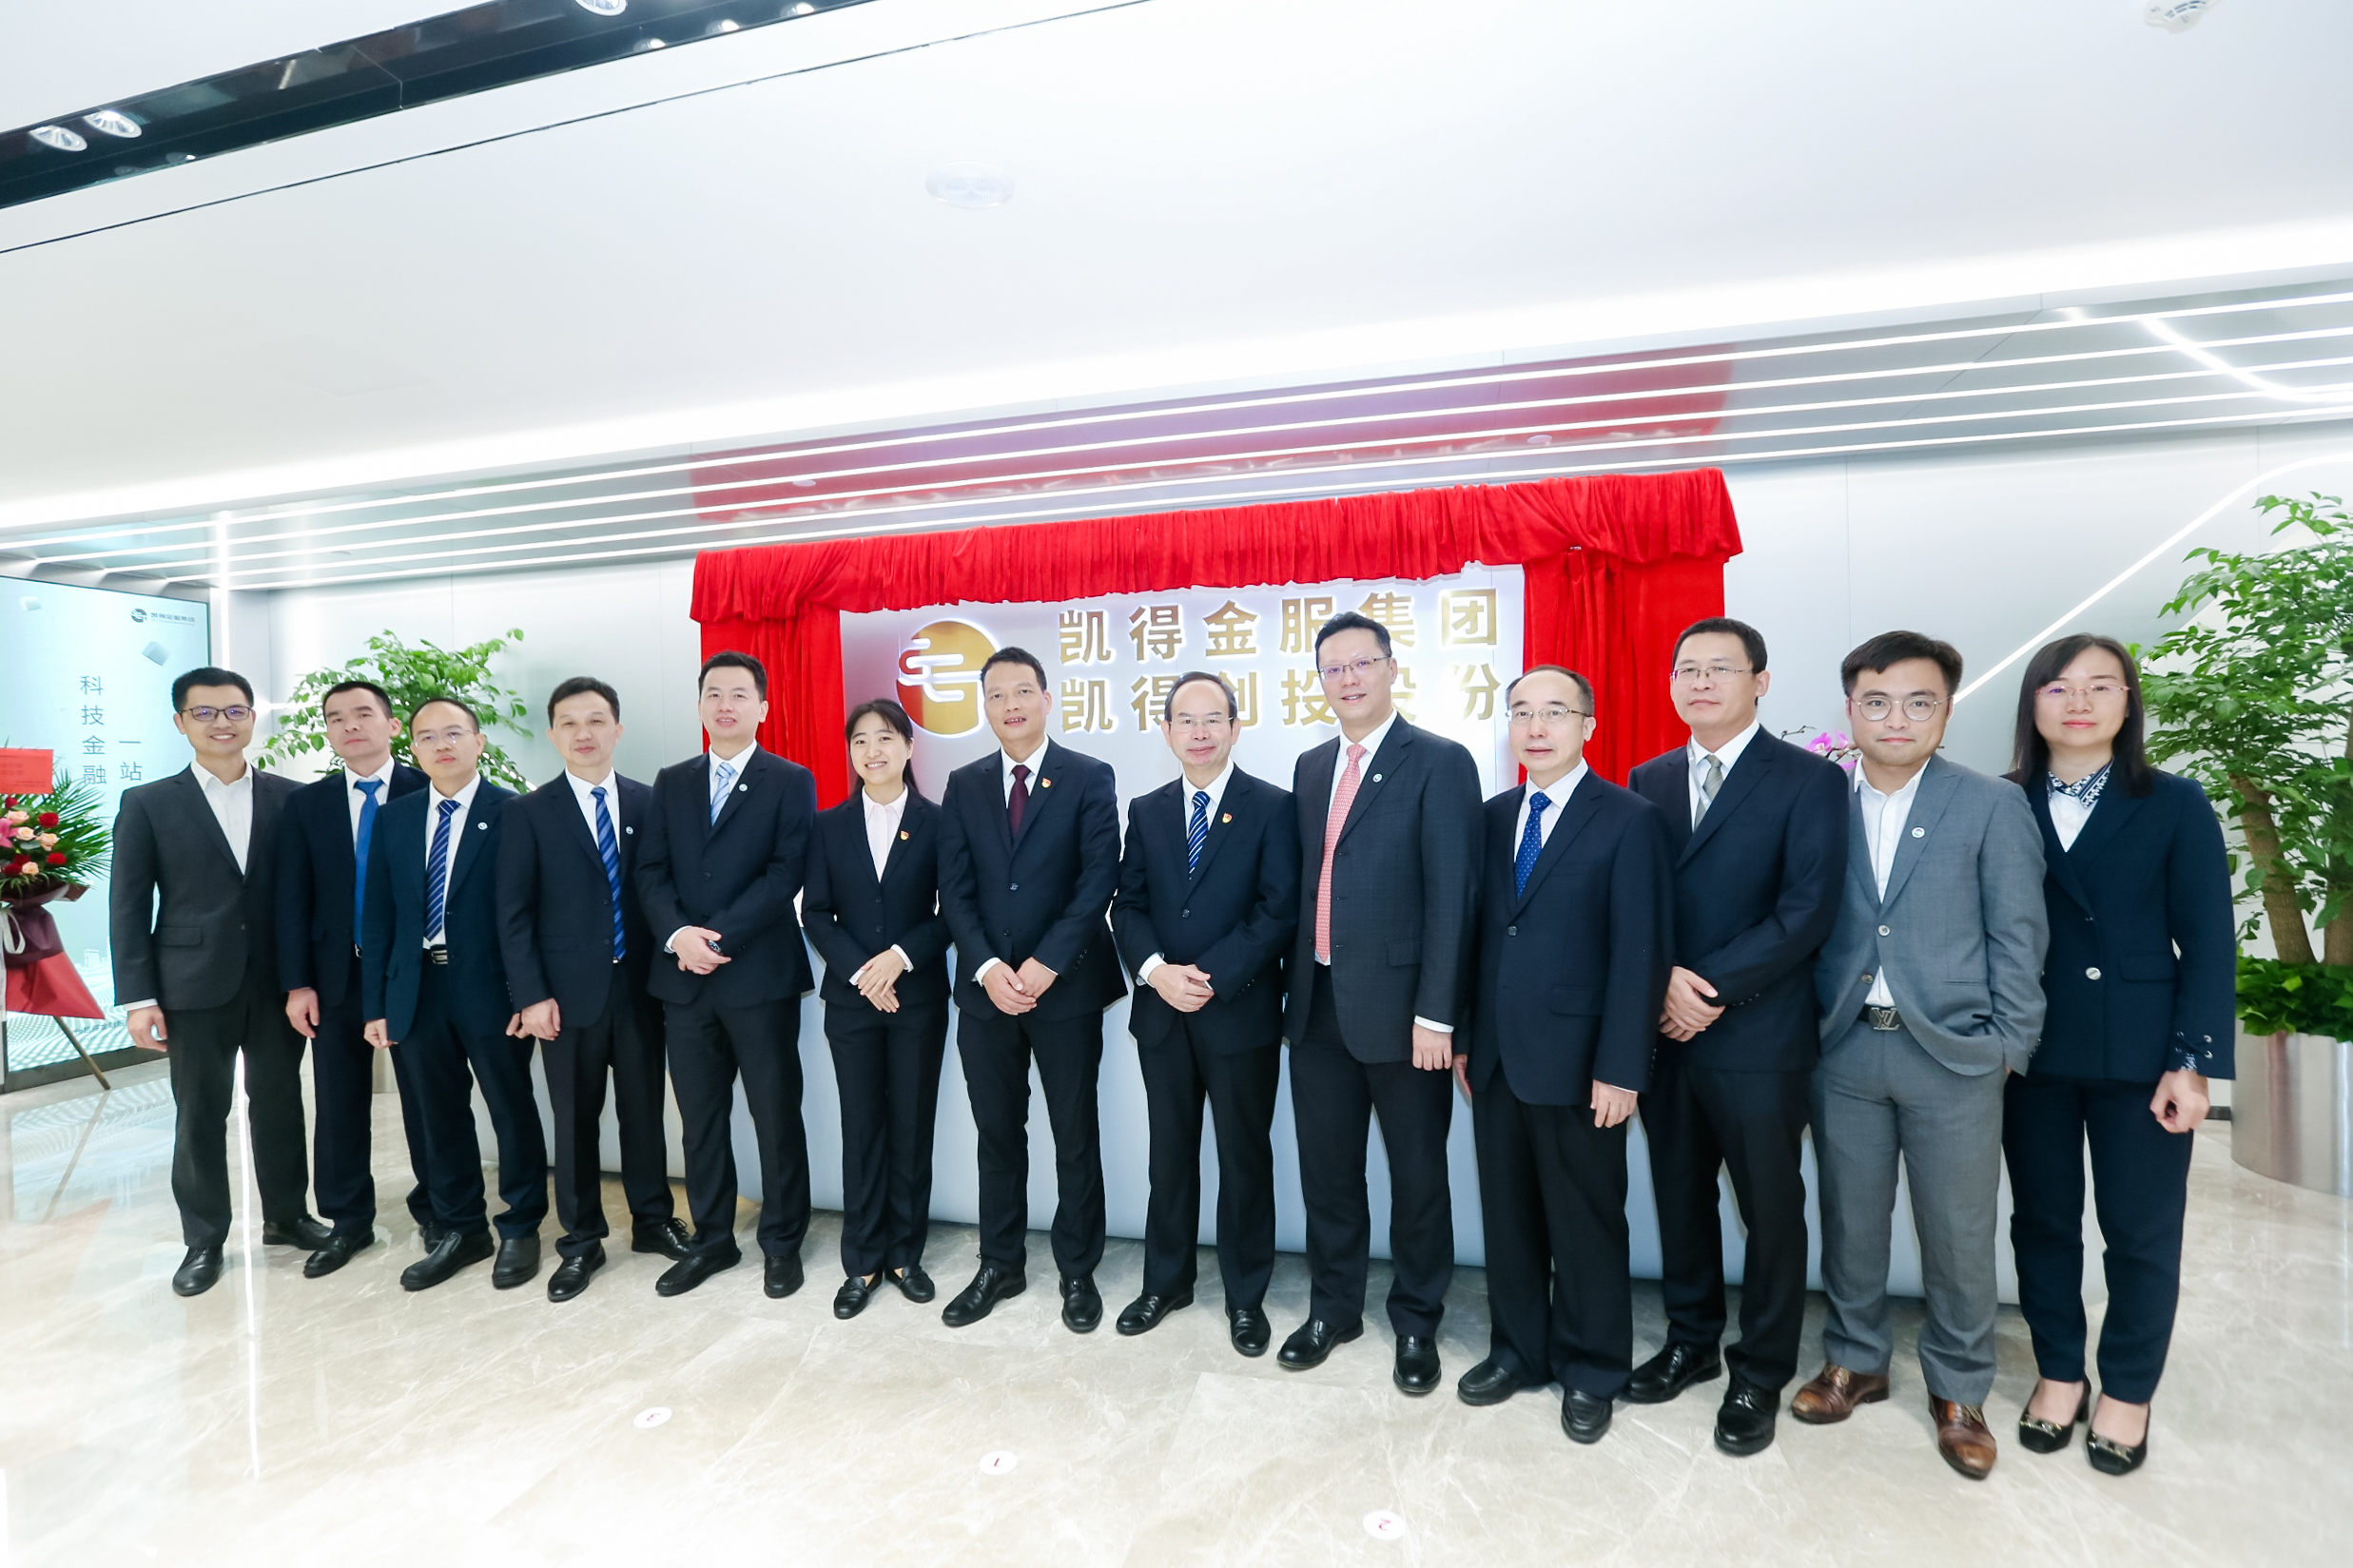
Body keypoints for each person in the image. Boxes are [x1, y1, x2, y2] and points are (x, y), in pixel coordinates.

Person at [1792, 631, 2049, 1481]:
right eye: (1876, 701)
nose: (1895, 718)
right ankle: (1854, 1359)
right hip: (1843, 1048)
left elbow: (2020, 936)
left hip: (1955, 1057)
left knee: (1960, 1230)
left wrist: (2009, 1046)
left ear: (1945, 711)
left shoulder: (1990, 804)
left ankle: (1960, 1389)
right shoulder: (1819, 801)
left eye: (1918, 701)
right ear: (1850, 710)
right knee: (1851, 1220)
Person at [2002, 635, 2233, 1477]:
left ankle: (2129, 1387)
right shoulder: (2000, 800)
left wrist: (2192, 1061)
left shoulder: (2173, 801)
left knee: (2140, 1230)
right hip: (2030, 1050)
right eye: (2058, 687)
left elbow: (2209, 940)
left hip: (2142, 1051)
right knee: (2043, 1222)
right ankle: (2060, 1372)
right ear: (2032, 702)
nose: (2079, 702)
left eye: (2101, 686)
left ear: (2128, 702)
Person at [1624, 617, 1849, 1456]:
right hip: (1664, 1028)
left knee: (1769, 1209)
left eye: (1721, 667)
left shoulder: (1808, 779)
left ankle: (1760, 1368)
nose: (1702, 681)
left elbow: (1807, 909)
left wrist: (1707, 987)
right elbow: (1634, 899)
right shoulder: (1647, 778)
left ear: (1760, 680)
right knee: (1680, 1195)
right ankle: (1692, 1341)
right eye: (1687, 668)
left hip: (1758, 1032)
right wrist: (1662, 982)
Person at [1454, 668, 1671, 1444]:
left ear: (1588, 724)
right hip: (1497, 1059)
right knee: (1508, 1217)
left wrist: (1622, 1066)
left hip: (1584, 1065)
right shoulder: (1490, 818)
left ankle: (1593, 1367)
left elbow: (1641, 951)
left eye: (1554, 712)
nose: (1536, 727)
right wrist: (1467, 1038)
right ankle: (1518, 1351)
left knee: (1586, 1223)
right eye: (1522, 712)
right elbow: (1478, 936)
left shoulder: (1629, 818)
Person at [1280, 610, 1480, 1395]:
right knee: (1328, 1173)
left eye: (1362, 662)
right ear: (1321, 682)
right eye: (1333, 668)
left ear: (1392, 668)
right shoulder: (1309, 766)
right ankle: (1334, 1308)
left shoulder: (1439, 761)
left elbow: (1454, 896)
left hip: (1407, 1016)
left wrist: (1438, 1013)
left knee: (1417, 1175)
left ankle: (1417, 1319)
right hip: (1317, 1005)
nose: (1349, 678)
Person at [111, 667, 322, 1297]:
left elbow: (307, 897)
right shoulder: (149, 803)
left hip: (277, 982)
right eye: (204, 713)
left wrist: (307, 978)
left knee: (280, 1102)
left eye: (233, 711)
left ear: (252, 718)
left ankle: (287, 1216)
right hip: (191, 983)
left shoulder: (292, 798)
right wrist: (139, 997)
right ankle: (203, 1238)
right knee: (200, 1112)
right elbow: (128, 905)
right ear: (180, 722)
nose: (221, 723)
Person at [935, 648, 1127, 1332]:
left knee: (1074, 1131)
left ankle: (1078, 1269)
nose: (1010, 704)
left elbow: (1099, 876)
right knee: (997, 1132)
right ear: (984, 707)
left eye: (1022, 691)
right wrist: (988, 965)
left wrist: (1048, 962)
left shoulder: (1088, 775)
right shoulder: (964, 784)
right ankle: (1000, 1263)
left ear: (1046, 699)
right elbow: (954, 887)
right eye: (996, 695)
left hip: (1065, 989)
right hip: (986, 994)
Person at [1108, 671, 1300, 1354]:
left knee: (1243, 1157)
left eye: (1212, 719)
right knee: (1169, 1154)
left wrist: (1209, 978)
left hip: (1239, 1013)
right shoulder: (1147, 809)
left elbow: (1277, 910)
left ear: (1235, 727)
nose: (1199, 732)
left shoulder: (1272, 806)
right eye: (1185, 720)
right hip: (1162, 1014)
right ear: (1166, 731)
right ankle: (1166, 1281)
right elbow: (1128, 904)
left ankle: (1246, 1296)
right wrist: (1157, 972)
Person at [496, 677, 691, 1304]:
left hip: (641, 988)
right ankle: (581, 1239)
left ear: (618, 729)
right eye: (570, 723)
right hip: (565, 997)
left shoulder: (650, 803)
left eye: (597, 720)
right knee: (575, 1119)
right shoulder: (527, 812)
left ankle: (653, 1219)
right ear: (553, 734)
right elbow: (513, 914)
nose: (584, 733)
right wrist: (530, 995)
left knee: (644, 1111)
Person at [635, 650, 820, 1300]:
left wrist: (716, 936)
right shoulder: (673, 781)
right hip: (685, 982)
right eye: (714, 693)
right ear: (699, 706)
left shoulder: (790, 779)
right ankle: (712, 1240)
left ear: (763, 708)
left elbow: (785, 872)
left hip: (759, 978)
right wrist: (678, 935)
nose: (725, 704)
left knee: (775, 1115)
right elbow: (650, 871)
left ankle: (782, 1243)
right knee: (701, 1120)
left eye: (739, 694)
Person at [360, 697, 541, 1291]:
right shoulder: (396, 817)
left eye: (454, 733)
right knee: (436, 1114)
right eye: (428, 736)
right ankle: (462, 1228)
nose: (442, 745)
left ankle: (521, 1225)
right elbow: (379, 917)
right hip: (416, 989)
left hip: (491, 988)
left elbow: (530, 913)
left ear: (478, 742)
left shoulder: (513, 812)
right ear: (412, 747)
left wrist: (527, 993)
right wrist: (376, 1004)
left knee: (510, 1108)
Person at [275, 680, 434, 1278]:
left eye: (363, 713)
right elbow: (292, 900)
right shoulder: (306, 805)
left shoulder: (429, 789)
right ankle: (347, 1221)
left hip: (411, 971)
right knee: (338, 1103)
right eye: (336, 717)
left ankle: (438, 1208)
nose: (350, 725)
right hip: (334, 976)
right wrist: (298, 983)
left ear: (392, 725)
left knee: (426, 1097)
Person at [800, 699, 953, 1319]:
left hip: (917, 997)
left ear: (909, 747)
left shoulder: (939, 822)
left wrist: (900, 958)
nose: (873, 750)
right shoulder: (827, 825)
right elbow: (817, 913)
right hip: (853, 1001)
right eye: (860, 740)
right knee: (862, 1129)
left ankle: (905, 1256)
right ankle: (862, 1260)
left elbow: (952, 911)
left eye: (885, 738)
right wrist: (865, 971)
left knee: (912, 1127)